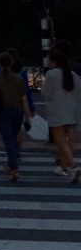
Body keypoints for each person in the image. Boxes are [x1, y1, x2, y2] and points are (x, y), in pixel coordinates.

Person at [0, 51, 31, 182]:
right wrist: (27, 116)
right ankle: (12, 162)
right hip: (17, 111)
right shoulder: (18, 78)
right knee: (13, 136)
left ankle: (14, 167)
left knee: (8, 139)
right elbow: (24, 99)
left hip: (2, 111)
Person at [42, 48, 81, 179]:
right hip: (71, 111)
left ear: (54, 62)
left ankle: (73, 165)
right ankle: (64, 167)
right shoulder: (74, 75)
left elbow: (45, 93)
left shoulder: (51, 74)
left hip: (57, 111)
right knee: (68, 140)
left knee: (60, 141)